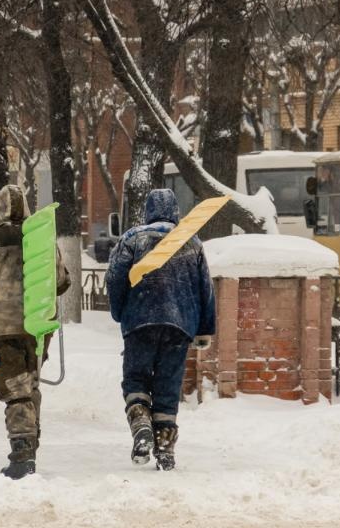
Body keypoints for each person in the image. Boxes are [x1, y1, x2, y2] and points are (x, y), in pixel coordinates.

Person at [0, 185, 70, 480]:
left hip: (2, 328)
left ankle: (22, 457)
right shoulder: (42, 240)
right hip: (38, 325)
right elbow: (61, 282)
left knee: (14, 389)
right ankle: (30, 446)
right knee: (29, 384)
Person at [105, 188, 215, 471]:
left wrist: (120, 312)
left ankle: (141, 423)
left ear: (149, 211)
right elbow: (206, 289)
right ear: (176, 212)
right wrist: (204, 328)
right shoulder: (192, 242)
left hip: (139, 322)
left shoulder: (132, 238)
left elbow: (115, 278)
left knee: (136, 379)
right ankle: (165, 450)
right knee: (168, 386)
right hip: (179, 326)